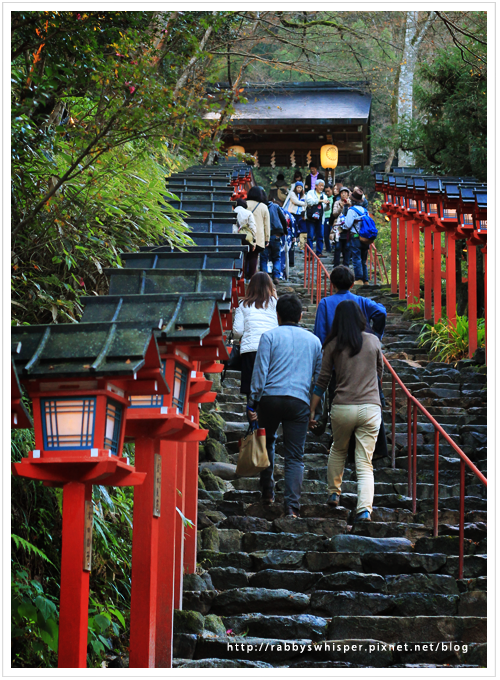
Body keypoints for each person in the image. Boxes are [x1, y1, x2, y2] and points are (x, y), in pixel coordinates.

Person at [248, 294, 322, 517]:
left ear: (277, 316)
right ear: (301, 315)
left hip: (269, 398)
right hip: (299, 401)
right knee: (294, 456)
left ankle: (268, 492)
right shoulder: (315, 342)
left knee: (266, 442)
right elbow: (318, 381)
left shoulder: (269, 337)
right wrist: (315, 411)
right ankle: (291, 507)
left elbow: (260, 372)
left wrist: (252, 402)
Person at [310, 300, 383, 521]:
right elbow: (379, 374)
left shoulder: (333, 345)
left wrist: (312, 411)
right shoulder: (373, 341)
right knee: (364, 462)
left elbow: (322, 381)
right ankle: (363, 510)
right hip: (370, 407)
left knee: (338, 449)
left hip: (342, 406)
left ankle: (334, 492)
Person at [314, 265, 386, 345]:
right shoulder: (362, 301)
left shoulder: (324, 303)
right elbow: (381, 312)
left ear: (333, 285)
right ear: (352, 285)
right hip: (360, 347)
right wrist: (376, 335)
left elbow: (320, 332)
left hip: (335, 351)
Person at [233, 272, 278, 398]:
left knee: (251, 390)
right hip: (271, 349)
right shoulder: (275, 303)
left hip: (250, 350)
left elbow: (237, 332)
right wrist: (275, 296)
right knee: (270, 387)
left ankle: (252, 414)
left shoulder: (243, 304)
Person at [345, 186, 370, 285]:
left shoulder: (352, 210)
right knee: (364, 260)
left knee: (356, 258)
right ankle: (366, 280)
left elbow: (347, 224)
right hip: (365, 238)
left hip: (355, 237)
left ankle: (359, 279)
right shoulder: (365, 210)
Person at [246, 186, 270, 281]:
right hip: (257, 236)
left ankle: (242, 276)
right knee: (254, 256)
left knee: (244, 256)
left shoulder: (244, 204)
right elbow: (266, 224)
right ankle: (251, 277)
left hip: (245, 234)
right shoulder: (263, 207)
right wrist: (267, 239)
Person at [261, 200, 288, 285]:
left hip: (265, 235)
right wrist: (284, 230)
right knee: (276, 258)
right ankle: (276, 276)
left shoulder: (261, 207)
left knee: (264, 258)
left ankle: (264, 277)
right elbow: (283, 219)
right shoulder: (275, 206)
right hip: (276, 234)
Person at [305, 178, 329, 256]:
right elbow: (309, 202)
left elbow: (325, 208)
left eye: (323, 186)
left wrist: (328, 205)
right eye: (320, 186)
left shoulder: (324, 196)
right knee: (310, 236)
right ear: (316, 186)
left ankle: (319, 252)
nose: (322, 187)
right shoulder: (310, 193)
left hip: (320, 218)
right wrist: (320, 201)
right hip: (311, 218)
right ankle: (310, 253)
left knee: (320, 236)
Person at [283, 181, 307, 250]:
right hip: (293, 213)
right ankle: (293, 240)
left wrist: (303, 203)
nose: (299, 189)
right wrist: (304, 203)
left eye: (300, 188)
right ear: (295, 188)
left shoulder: (304, 195)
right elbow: (296, 202)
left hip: (300, 213)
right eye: (298, 187)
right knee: (293, 227)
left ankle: (299, 241)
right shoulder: (292, 194)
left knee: (300, 227)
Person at [330, 187, 351, 266]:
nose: (344, 194)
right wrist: (341, 207)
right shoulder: (337, 202)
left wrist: (349, 205)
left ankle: (346, 265)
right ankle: (336, 264)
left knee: (347, 247)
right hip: (338, 227)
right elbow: (334, 213)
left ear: (348, 194)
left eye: (345, 192)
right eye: (342, 192)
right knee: (338, 246)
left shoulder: (351, 203)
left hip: (348, 227)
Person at [323, 184, 334, 253]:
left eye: (328, 191)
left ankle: (333, 247)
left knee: (333, 234)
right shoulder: (324, 198)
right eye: (326, 191)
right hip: (325, 217)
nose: (327, 193)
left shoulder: (334, 198)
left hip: (332, 217)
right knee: (326, 234)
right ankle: (328, 248)